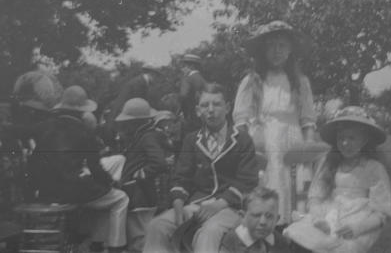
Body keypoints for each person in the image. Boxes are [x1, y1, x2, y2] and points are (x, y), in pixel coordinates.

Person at [143, 83, 259, 253]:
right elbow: (181, 177)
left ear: (227, 108)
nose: (210, 110)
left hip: (229, 207)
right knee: (157, 225)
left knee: (209, 231)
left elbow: (247, 181)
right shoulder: (191, 140)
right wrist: (178, 204)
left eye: (217, 104)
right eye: (205, 105)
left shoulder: (242, 140)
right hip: (196, 204)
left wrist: (218, 205)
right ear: (198, 110)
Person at [233, 20, 317, 223]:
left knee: (292, 186)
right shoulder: (251, 81)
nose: (276, 51)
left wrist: (307, 151)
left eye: (282, 46)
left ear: (290, 50)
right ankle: (262, 228)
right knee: (265, 182)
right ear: (263, 50)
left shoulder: (300, 82)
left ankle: (288, 230)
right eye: (270, 45)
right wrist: (248, 149)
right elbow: (241, 119)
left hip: (291, 139)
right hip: (261, 141)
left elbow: (307, 121)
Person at [27, 85, 129, 253]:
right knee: (119, 198)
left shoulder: (45, 126)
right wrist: (111, 183)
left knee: (104, 196)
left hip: (46, 191)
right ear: (82, 111)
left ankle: (96, 242)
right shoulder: (84, 132)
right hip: (73, 191)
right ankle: (114, 247)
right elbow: (95, 169)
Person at [284, 106, 391, 253]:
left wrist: (358, 228)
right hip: (328, 215)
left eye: (352, 138)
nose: (345, 144)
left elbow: (381, 212)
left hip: (358, 222)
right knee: (300, 236)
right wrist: (317, 218)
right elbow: (316, 197)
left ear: (364, 140)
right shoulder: (329, 162)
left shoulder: (374, 168)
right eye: (341, 138)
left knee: (340, 246)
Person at [106, 99, 177, 253]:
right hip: (138, 194)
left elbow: (159, 163)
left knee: (140, 240)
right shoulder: (143, 136)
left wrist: (140, 174)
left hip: (140, 195)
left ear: (137, 122)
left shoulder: (147, 137)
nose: (126, 126)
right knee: (139, 239)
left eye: (129, 122)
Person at [219, 187, 290, 253]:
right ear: (243, 217)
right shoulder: (231, 242)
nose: (263, 222)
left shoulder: (280, 241)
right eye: (256, 215)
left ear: (276, 220)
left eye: (269, 216)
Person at [179, 54, 207, 132]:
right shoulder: (202, 79)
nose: (182, 69)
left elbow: (183, 96)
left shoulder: (187, 79)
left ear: (191, 66)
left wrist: (183, 113)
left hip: (191, 118)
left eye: (184, 66)